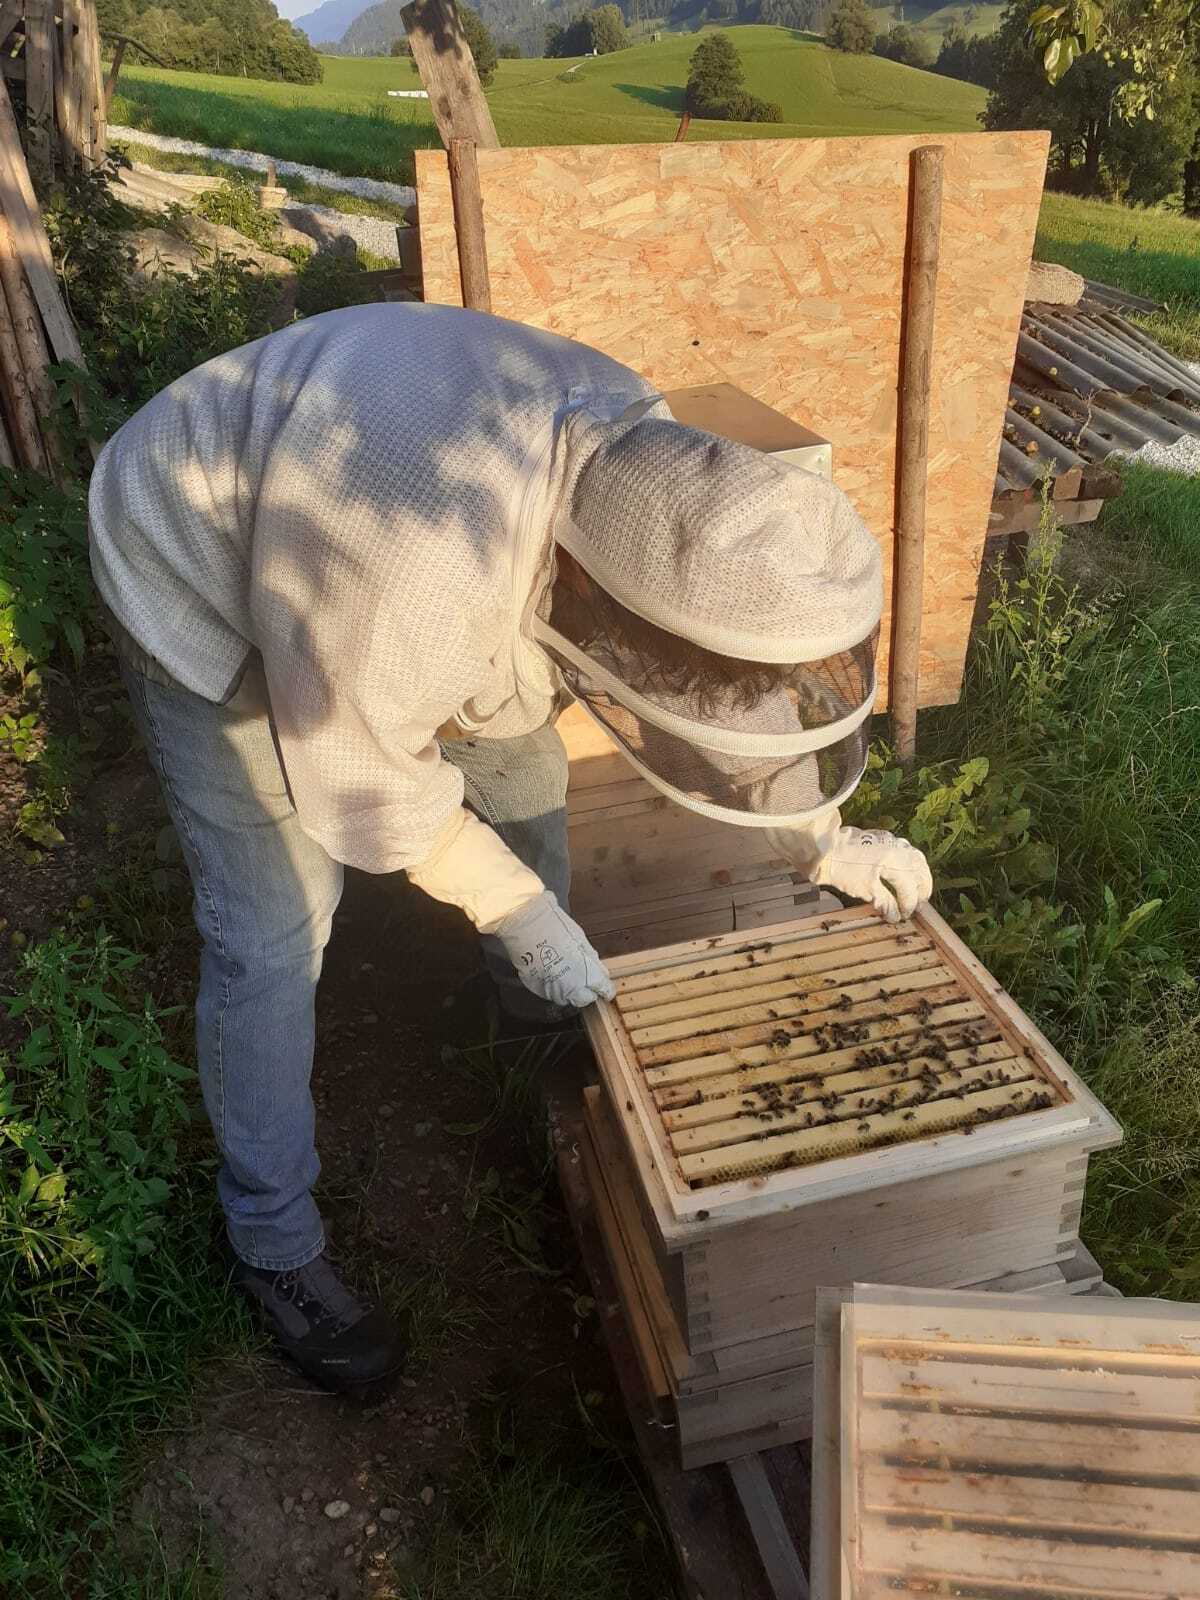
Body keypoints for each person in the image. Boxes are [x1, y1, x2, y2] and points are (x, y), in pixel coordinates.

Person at [89, 302, 933, 1393]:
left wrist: (818, 837)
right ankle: (272, 1242)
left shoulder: (647, 474)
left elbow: (725, 681)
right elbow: (362, 770)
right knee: (274, 922)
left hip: (368, 526)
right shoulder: (415, 576)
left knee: (527, 779)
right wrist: (514, 903)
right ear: (590, 586)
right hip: (196, 539)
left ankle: (533, 1032)